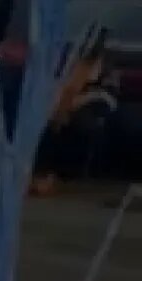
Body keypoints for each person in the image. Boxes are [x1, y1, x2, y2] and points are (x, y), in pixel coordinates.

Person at [30, 31, 120, 196]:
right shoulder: (65, 58)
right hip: (60, 102)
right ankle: (40, 173)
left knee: (81, 125)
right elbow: (51, 83)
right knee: (48, 124)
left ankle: (63, 176)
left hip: (90, 106)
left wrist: (81, 99)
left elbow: (108, 97)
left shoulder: (105, 66)